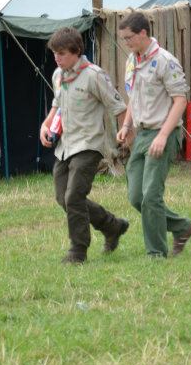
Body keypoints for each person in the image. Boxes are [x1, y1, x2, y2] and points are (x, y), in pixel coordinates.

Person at [39, 27, 129, 264]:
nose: (57, 58)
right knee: (63, 198)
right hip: (65, 146)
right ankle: (112, 226)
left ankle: (78, 251)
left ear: (77, 51)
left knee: (74, 196)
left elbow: (118, 106)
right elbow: (56, 105)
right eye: (54, 53)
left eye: (62, 53)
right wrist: (45, 126)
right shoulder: (58, 75)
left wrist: (125, 133)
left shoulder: (94, 75)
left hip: (89, 145)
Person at [115, 12, 191, 258]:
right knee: (136, 197)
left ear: (142, 33)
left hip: (163, 133)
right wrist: (127, 125)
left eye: (129, 38)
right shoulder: (132, 60)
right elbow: (133, 97)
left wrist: (163, 135)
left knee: (151, 195)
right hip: (141, 134)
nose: (126, 42)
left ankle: (155, 253)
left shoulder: (164, 61)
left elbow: (180, 101)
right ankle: (181, 227)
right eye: (123, 38)